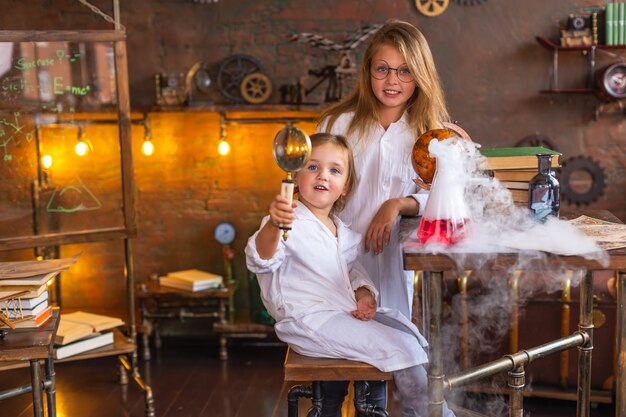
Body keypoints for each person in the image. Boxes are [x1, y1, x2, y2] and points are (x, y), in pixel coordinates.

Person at [245, 133, 455, 417]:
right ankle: (434, 413)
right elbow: (262, 259)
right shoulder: (288, 222)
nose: (323, 176)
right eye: (312, 167)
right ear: (294, 177)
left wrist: (364, 293)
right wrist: (273, 224)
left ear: (345, 187)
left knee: (408, 334)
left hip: (339, 315)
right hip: (308, 320)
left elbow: (353, 270)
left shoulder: (341, 230)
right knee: (401, 347)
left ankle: (418, 408)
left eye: (334, 170)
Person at [316, 19, 451, 415]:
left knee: (386, 359)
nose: (393, 81)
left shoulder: (431, 134)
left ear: (420, 75)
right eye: (383, 69)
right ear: (368, 72)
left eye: (405, 70)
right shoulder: (337, 124)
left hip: (392, 263)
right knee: (333, 361)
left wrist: (398, 204)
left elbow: (445, 200)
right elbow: (314, 193)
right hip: (336, 261)